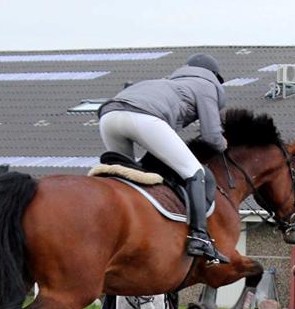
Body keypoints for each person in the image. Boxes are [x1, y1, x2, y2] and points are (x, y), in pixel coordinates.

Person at [97, 53, 229, 264]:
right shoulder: (206, 85)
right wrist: (224, 144)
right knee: (196, 173)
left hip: (108, 117)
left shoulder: (167, 84)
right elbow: (211, 137)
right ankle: (199, 237)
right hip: (144, 118)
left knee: (126, 184)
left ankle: (116, 234)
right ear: (214, 76)